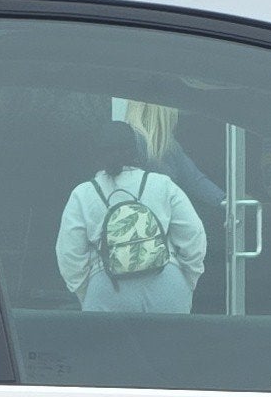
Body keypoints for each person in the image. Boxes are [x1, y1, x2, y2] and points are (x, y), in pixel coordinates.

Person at [55, 121, 208, 314]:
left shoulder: (82, 194)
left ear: (97, 155)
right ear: (136, 152)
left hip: (108, 289)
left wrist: (89, 292)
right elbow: (193, 236)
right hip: (167, 286)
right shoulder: (162, 185)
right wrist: (187, 281)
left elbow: (69, 255)